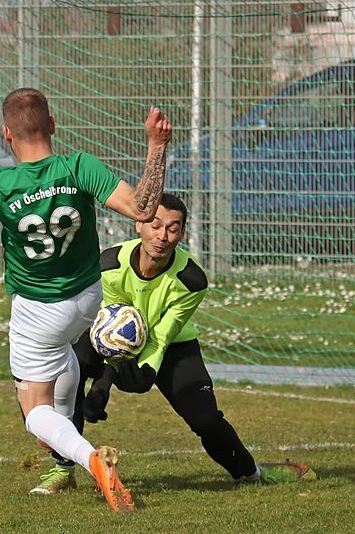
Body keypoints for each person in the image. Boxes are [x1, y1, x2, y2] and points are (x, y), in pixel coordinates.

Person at [0, 88, 172, 512]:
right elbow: (143, 209)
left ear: (7, 134)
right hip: (88, 298)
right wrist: (156, 146)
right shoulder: (79, 166)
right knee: (62, 360)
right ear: (52, 125)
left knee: (34, 413)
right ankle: (63, 464)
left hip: (39, 312)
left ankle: (89, 460)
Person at [31, 193, 317, 495]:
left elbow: (162, 335)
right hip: (113, 342)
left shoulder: (191, 279)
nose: (162, 236)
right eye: (155, 225)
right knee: (72, 369)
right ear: (139, 226)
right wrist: (103, 384)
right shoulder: (109, 265)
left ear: (181, 234)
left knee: (206, 420)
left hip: (171, 346)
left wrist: (147, 370)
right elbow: (110, 331)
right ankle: (63, 468)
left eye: (172, 228)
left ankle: (252, 473)